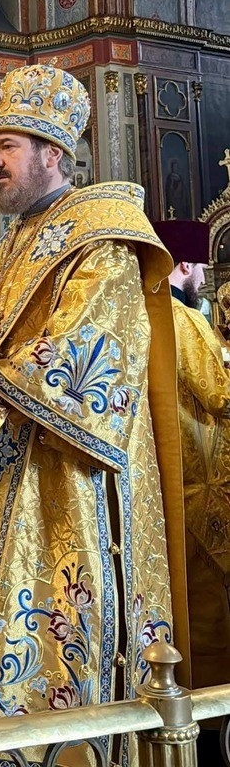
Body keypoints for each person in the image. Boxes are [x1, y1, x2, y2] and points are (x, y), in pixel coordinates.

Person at [0, 65, 188, 767]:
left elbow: (99, 355)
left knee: (47, 662)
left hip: (63, 496)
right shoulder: (10, 248)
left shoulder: (101, 239)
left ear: (52, 154)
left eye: (6, 146)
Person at [152, 218, 230, 692]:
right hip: (197, 478)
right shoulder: (182, 318)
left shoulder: (144, 309)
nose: (203, 276)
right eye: (200, 266)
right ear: (184, 264)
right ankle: (213, 702)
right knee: (206, 593)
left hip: (167, 473)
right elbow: (220, 393)